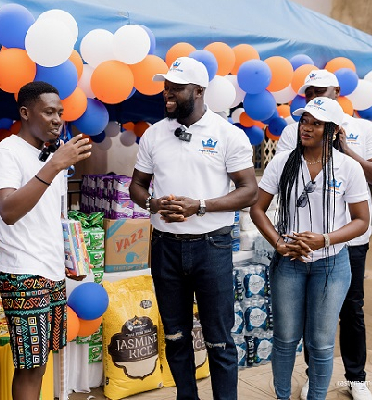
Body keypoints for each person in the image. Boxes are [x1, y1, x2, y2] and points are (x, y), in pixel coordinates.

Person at [129, 57, 258, 400]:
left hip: (211, 247)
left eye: (176, 88)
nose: (167, 94)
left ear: (199, 91)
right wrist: (152, 204)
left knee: (218, 338)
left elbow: (248, 190)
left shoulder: (228, 135)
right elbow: (137, 186)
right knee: (175, 335)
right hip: (165, 247)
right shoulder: (155, 134)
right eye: (166, 87)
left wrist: (199, 205)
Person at [276, 70, 372, 400]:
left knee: (352, 308)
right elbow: (278, 179)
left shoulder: (363, 128)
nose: (312, 96)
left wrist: (344, 151)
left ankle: (357, 378)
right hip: (306, 240)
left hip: (350, 239)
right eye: (307, 92)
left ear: (337, 90)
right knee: (314, 313)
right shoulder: (293, 130)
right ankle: (315, 375)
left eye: (319, 90)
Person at [251, 97, 370, 400]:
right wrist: (278, 243)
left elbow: (361, 220)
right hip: (289, 264)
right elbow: (257, 209)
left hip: (331, 265)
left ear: (331, 131)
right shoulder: (284, 162)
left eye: (316, 123)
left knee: (321, 343)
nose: (307, 128)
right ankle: (282, 396)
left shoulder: (348, 167)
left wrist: (326, 239)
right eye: (305, 121)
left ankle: (316, 396)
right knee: (285, 339)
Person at [0, 81, 91, 400]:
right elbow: (9, 210)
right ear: (25, 113)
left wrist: (72, 257)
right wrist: (55, 165)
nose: (57, 119)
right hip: (22, 270)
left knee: (40, 363)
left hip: (51, 268)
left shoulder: (50, 155)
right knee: (29, 367)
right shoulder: (5, 154)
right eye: (48, 112)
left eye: (60, 112)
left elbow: (52, 218)